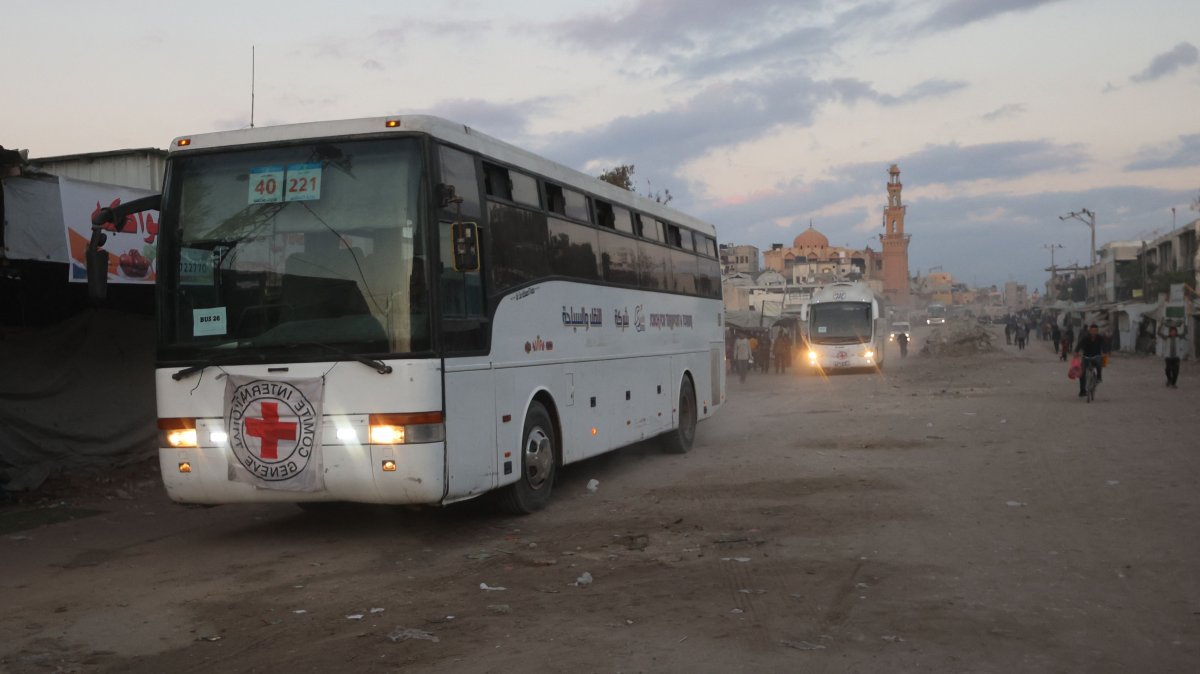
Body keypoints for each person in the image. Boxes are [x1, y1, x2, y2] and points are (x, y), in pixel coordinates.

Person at [1073, 323, 1108, 397]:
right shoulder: (1085, 338)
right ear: (1090, 331)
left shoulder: (1100, 338)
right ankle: (1082, 390)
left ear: (1097, 331)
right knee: (1082, 373)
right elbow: (1079, 344)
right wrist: (1076, 352)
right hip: (1086, 357)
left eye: (1095, 331)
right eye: (1092, 330)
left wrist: (1105, 353)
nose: (1094, 332)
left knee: (1099, 364)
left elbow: (1104, 345)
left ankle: (1099, 377)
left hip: (1096, 356)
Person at [1157, 321, 1188, 388]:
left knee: (1175, 371)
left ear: (1176, 332)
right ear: (1169, 332)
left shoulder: (1179, 337)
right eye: (1172, 331)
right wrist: (1161, 325)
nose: (1173, 333)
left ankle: (1173, 384)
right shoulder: (1166, 338)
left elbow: (1185, 333)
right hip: (1168, 357)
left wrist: (1184, 324)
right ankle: (1169, 380)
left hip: (1176, 357)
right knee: (1168, 370)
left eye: (1174, 331)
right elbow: (1159, 333)